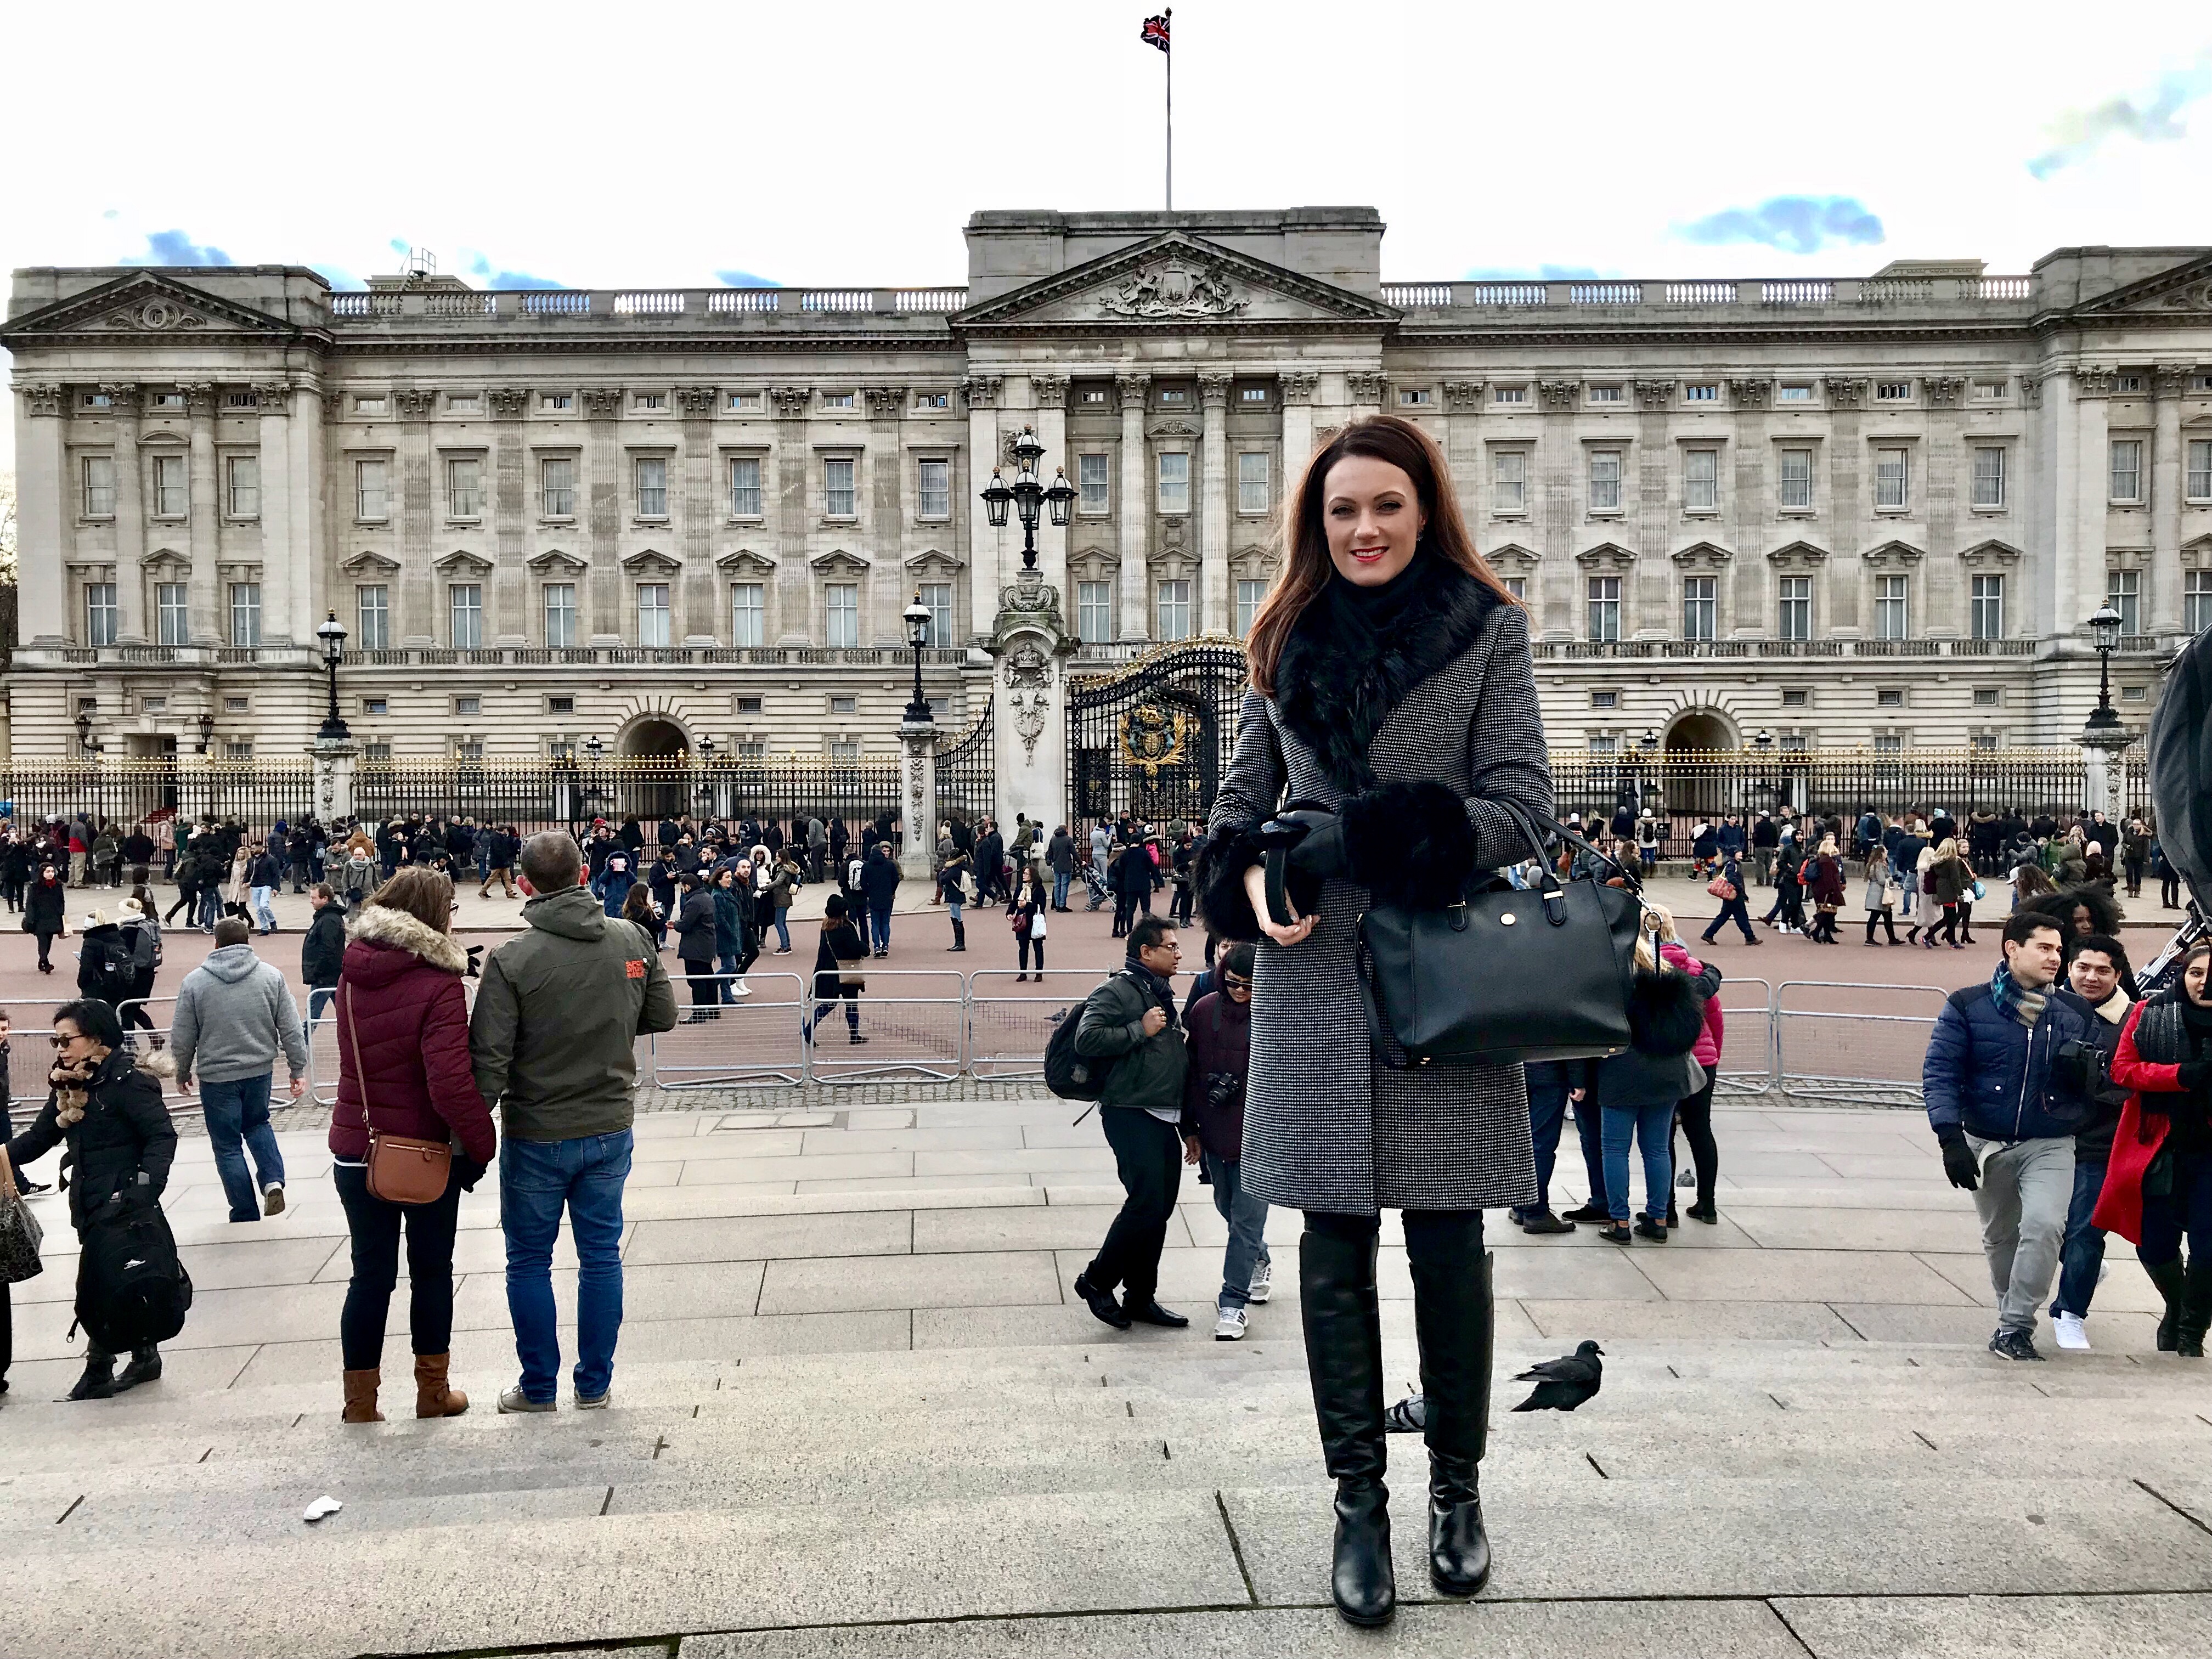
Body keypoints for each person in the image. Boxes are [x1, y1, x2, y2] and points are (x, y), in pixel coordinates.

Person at [1192, 415, 1549, 1626]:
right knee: (1331, 1248)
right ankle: (1360, 1505)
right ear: (1317, 524)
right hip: (1310, 978)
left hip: (1437, 967)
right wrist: (1248, 877)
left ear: (1423, 510)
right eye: (1343, 511)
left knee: (1449, 1243)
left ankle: (1457, 1489)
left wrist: (1373, 838)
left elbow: (1518, 808)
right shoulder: (1284, 635)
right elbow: (1240, 804)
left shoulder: (1488, 633)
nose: (1364, 530)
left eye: (1385, 506)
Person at [471, 831, 676, 1413]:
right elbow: (662, 1013)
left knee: (530, 1260)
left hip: (537, 1129)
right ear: (586, 876)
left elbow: (489, 1061)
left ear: (528, 885)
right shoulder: (631, 937)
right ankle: (594, 1383)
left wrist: (468, 1139)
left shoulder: (512, 960)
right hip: (609, 1121)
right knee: (601, 1256)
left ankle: (538, 1387)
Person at [326, 868, 497, 1423]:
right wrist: (481, 1143)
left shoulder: (352, 972)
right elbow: (448, 1082)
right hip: (421, 1152)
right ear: (433, 916)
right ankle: (432, 1394)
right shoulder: (440, 981)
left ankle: (360, 1404)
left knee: (368, 1276)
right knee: (431, 1273)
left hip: (359, 1146)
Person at [1922, 910, 2100, 1361]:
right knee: (2001, 1237)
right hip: (1986, 1139)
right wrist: (1950, 1139)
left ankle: (2016, 1326)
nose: (2055, 958)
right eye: (2045, 947)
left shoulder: (2074, 1011)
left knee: (2043, 1227)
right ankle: (2011, 1316)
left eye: (2060, 949)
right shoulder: (1967, 1005)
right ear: (2012, 948)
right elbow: (1941, 1072)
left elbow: (2102, 1072)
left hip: (2050, 1141)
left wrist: (2084, 1080)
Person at [5, 999, 178, 1400]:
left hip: (124, 1202)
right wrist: (2, 1157)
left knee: (97, 1285)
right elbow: (41, 1137)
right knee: (126, 1279)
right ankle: (145, 1354)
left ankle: (99, 1368)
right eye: (56, 1040)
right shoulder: (71, 1085)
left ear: (96, 1038)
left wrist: (143, 1188)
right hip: (90, 1199)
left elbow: (161, 1136)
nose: (61, 1048)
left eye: (67, 1039)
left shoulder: (127, 1082)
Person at [1071, 914, 1194, 1334]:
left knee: (1158, 1210)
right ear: (1146, 952)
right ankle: (1097, 1280)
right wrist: (1137, 1030)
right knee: (1144, 1204)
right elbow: (1086, 1038)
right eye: (1171, 947)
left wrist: (1188, 1125)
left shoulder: (1158, 990)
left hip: (1164, 1113)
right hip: (1130, 1110)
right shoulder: (1118, 989)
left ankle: (1140, 1296)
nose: (1179, 953)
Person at [2100, 940, 2212, 1356]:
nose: (2203, 982)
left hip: (2209, 1153)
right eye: (2195, 973)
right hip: (2157, 1146)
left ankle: (2190, 1335)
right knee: (2154, 1242)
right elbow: (2123, 1070)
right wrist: (2180, 1075)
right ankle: (2178, 1304)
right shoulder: (2151, 1015)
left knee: (2208, 1246)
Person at [1591, 919, 1719, 1243]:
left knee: (1615, 1150)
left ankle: (1620, 1222)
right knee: (1657, 1150)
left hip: (1620, 1074)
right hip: (1665, 1073)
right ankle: (1659, 1218)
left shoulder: (1613, 988)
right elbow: (1698, 1011)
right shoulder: (1673, 985)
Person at [172, 915, 308, 1221]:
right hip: (259, 1069)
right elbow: (290, 1028)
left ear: (215, 943)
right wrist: (297, 1068)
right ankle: (273, 1180)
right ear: (248, 941)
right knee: (259, 1124)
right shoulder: (270, 976)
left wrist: (182, 1071)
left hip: (216, 1074)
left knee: (227, 1144)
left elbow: (183, 1035)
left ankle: (244, 1209)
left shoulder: (195, 982)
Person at [2046, 934, 2132, 1351]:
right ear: (2069, 969)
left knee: (2085, 1229)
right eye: (2083, 967)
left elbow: (2134, 1082)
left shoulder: (2135, 1021)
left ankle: (2070, 1313)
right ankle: (2085, 1267)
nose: (2091, 978)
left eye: (2103, 971)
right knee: (2040, 1227)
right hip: (2043, 1139)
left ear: (2118, 975)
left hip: (2098, 1144)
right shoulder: (2043, 1010)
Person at [1184, 942, 1270, 1339]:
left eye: (1249, 985)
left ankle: (1233, 1303)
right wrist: (1189, 1130)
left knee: (1245, 1223)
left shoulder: (1275, 1014)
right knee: (1227, 1208)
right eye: (1234, 983)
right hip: (1216, 1132)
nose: (1241, 991)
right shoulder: (1204, 1012)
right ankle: (1259, 1258)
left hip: (1261, 1137)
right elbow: (1190, 1073)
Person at [1667, 924, 1725, 1226]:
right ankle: (1707, 1203)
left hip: (1666, 1060)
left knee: (1664, 1136)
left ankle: (1667, 1208)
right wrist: (1713, 1055)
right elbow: (1716, 1020)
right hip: (1704, 1060)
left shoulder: (1646, 969)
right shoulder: (1698, 971)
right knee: (1701, 1130)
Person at [806, 894, 869, 1045]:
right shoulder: (845, 928)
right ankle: (854, 1035)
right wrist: (865, 948)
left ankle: (809, 1030)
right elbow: (857, 947)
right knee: (852, 1003)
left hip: (829, 971)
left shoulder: (826, 927)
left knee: (829, 1004)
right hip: (846, 969)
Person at [674, 874, 721, 1021]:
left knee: (697, 980)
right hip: (706, 943)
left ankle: (699, 1014)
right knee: (708, 977)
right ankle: (713, 1011)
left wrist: (675, 924)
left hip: (695, 946)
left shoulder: (693, 902)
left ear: (687, 886)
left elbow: (685, 925)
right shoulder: (707, 896)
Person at [302, 882, 347, 1035]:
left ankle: (300, 1043)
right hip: (330, 974)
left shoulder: (328, 921)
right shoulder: (327, 918)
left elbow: (329, 949)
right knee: (343, 1012)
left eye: (314, 898)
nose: (311, 901)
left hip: (324, 976)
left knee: (313, 1012)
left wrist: (317, 971)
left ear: (325, 899)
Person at [1698, 848, 1757, 946]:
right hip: (1734, 894)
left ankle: (1708, 934)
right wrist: (1740, 890)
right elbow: (1731, 878)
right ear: (1734, 855)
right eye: (1738, 853)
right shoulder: (1732, 865)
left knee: (1724, 916)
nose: (1741, 854)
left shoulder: (1735, 864)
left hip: (1732, 894)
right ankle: (1750, 937)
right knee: (1741, 916)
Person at [711, 866, 753, 1001]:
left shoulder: (728, 892)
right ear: (719, 880)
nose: (730, 880)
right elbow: (720, 919)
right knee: (731, 966)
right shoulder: (718, 896)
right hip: (726, 937)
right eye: (727, 877)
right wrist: (732, 934)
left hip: (732, 935)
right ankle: (710, 985)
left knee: (727, 966)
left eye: (730, 877)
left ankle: (727, 997)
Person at [24, 861, 67, 974]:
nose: (51, 874)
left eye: (52, 872)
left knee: (49, 942)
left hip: (53, 917)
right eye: (48, 872)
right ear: (42, 873)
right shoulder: (35, 886)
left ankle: (41, 961)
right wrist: (30, 917)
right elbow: (30, 903)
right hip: (40, 919)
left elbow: (61, 901)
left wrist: (61, 913)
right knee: (42, 941)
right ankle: (45, 962)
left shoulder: (57, 885)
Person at [860, 840, 900, 958]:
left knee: (875, 923)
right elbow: (896, 879)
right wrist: (891, 891)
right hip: (886, 896)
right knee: (886, 923)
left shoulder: (867, 865)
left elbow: (863, 882)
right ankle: (885, 946)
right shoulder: (889, 865)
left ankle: (877, 947)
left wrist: (868, 892)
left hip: (873, 897)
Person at [1009, 864, 1048, 981]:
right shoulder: (1020, 888)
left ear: (1032, 875)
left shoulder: (1039, 889)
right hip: (1022, 921)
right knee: (1023, 948)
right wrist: (1010, 912)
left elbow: (1042, 906)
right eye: (1024, 873)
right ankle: (1023, 973)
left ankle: (1039, 973)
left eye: (1026, 874)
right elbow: (1015, 901)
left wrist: (1027, 905)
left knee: (1038, 948)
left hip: (1035, 921)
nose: (1024, 876)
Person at [1806, 836, 1847, 944]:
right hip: (1827, 892)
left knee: (1828, 913)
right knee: (1826, 913)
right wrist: (1832, 890)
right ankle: (1817, 932)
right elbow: (1829, 878)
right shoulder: (1827, 862)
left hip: (1821, 890)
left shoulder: (1821, 859)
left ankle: (1826, 935)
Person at [1863, 844, 1904, 945]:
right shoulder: (1879, 864)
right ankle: (1870, 939)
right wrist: (1891, 879)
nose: (1887, 853)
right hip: (1879, 893)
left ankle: (1892, 938)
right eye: (1885, 852)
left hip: (1876, 892)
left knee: (1887, 916)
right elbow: (1882, 880)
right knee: (1876, 916)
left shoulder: (1874, 863)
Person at [939, 844, 971, 952]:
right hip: (956, 896)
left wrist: (942, 873)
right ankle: (958, 943)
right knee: (955, 919)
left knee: (957, 919)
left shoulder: (954, 869)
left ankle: (960, 943)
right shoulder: (959, 867)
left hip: (954, 896)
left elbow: (943, 880)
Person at [479, 823, 520, 900]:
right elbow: (498, 850)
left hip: (503, 861)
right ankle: (482, 891)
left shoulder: (501, 837)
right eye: (505, 829)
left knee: (507, 878)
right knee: (492, 878)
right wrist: (504, 858)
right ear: (503, 830)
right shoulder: (495, 837)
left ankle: (510, 892)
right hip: (498, 861)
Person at [1047, 823, 1076, 912]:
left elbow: (1050, 852)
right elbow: (1074, 853)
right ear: (1066, 830)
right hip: (1066, 865)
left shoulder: (1053, 840)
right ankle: (1062, 905)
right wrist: (1081, 862)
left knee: (1057, 885)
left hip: (1056, 865)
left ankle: (1057, 904)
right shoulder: (1068, 840)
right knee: (1064, 886)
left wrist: (1051, 862)